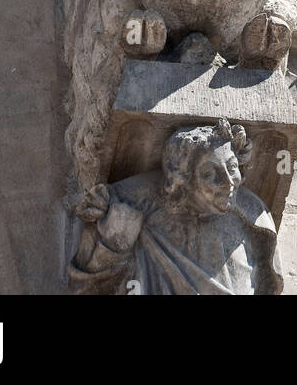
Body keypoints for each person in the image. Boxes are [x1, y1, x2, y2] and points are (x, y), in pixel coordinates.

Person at [70, 120, 283, 295]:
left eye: (233, 167)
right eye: (210, 174)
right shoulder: (148, 221)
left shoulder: (252, 220)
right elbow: (86, 289)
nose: (229, 182)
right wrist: (113, 246)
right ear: (184, 182)